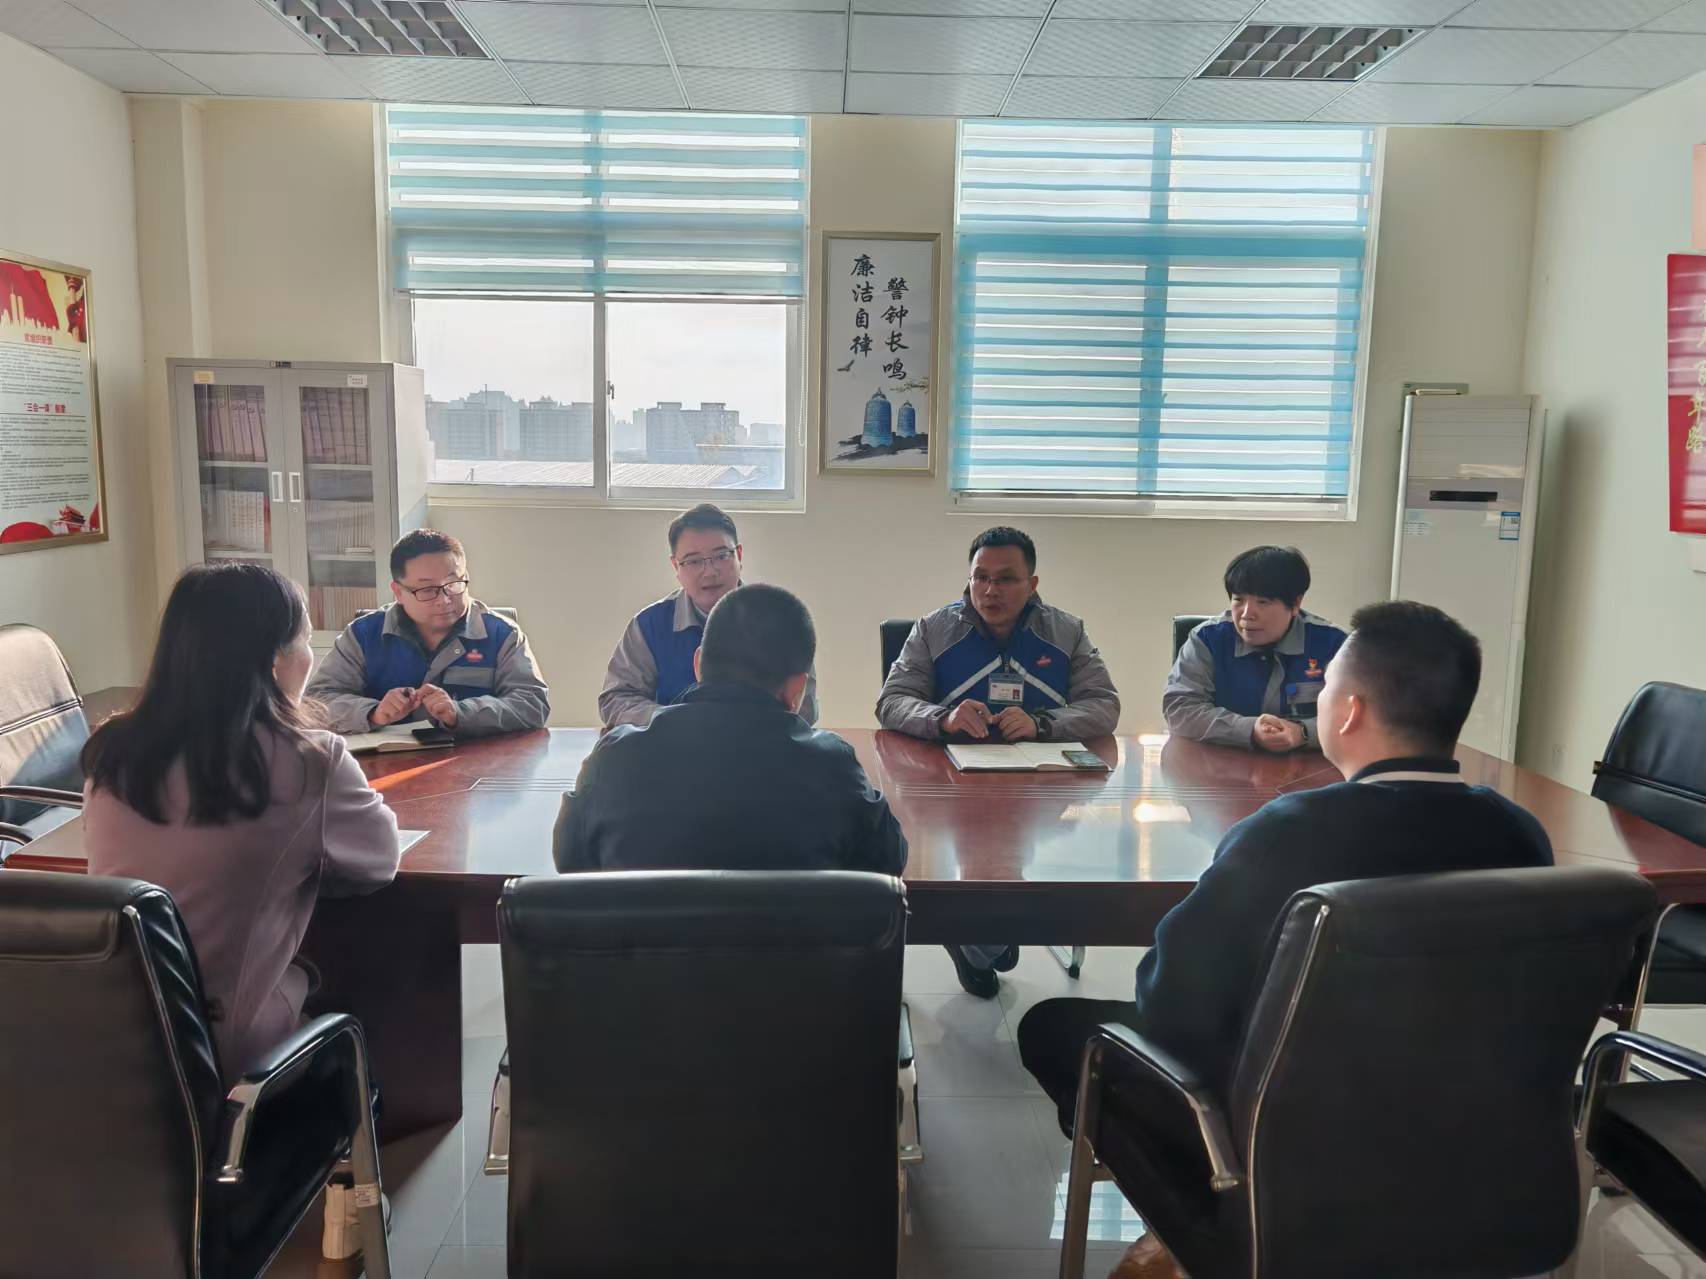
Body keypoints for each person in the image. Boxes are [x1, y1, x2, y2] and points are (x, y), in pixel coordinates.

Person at [1017, 601, 1552, 1279]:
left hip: (1287, 1142)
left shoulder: (1288, 830)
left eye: (1326, 685)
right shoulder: (1520, 835)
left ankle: (1189, 1235)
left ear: (1349, 712)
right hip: (1468, 1141)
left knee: (1054, 1029)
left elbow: (1172, 1002)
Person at [82, 564, 402, 1082]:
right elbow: (379, 863)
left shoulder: (111, 749)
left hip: (111, 1045)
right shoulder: (310, 759)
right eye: (305, 641)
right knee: (360, 982)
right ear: (275, 659)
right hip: (230, 1056)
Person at [877, 525, 1120, 997]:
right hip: (951, 783)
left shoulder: (1066, 631)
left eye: (1006, 579)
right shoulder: (933, 629)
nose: (990, 590)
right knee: (977, 850)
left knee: (1026, 849)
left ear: (1032, 584)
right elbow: (892, 701)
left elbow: (1103, 705)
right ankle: (986, 933)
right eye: (980, 577)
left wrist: (1043, 723)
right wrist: (943, 718)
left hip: (1039, 784)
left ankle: (982, 935)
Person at [556, 583, 904, 875]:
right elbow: (887, 865)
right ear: (798, 690)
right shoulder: (833, 767)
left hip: (646, 940)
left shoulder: (616, 758)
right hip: (785, 940)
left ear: (698, 664)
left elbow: (571, 862)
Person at [309, 528, 550, 736]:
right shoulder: (363, 635)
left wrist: (461, 713)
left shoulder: (502, 633)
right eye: (427, 590)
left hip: (477, 765)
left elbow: (532, 704)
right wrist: (373, 713)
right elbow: (315, 703)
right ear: (398, 592)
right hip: (387, 766)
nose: (444, 599)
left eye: (454, 584)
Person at [600, 502, 818, 729]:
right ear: (676, 566)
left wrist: (740, 726)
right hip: (675, 746)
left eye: (721, 556)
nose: (710, 571)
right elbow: (616, 699)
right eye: (694, 561)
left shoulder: (780, 619)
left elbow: (805, 707)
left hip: (763, 746)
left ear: (739, 555)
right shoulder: (650, 626)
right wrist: (679, 721)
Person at [1163, 545, 1347, 753]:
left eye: (1263, 602)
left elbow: (1356, 715)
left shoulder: (1335, 645)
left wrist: (1303, 732)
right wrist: (1248, 730)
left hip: (1309, 766)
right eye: (1238, 599)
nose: (1247, 614)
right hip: (1220, 763)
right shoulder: (1207, 639)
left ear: (1296, 603)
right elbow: (1179, 708)